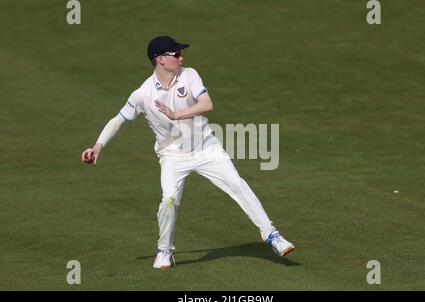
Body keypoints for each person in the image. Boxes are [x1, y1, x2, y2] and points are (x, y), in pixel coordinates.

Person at [81, 36, 294, 269]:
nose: (181, 57)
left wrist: (176, 115)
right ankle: (164, 251)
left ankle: (272, 236)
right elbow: (118, 119)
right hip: (172, 156)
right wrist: (97, 146)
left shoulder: (189, 74)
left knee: (237, 184)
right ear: (160, 60)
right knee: (169, 201)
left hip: (206, 147)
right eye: (176, 54)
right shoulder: (143, 93)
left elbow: (207, 104)